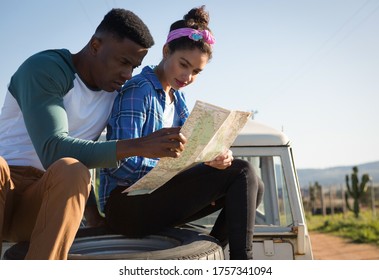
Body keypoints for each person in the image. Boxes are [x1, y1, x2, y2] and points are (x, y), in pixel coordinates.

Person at [0, 8, 187, 260]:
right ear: (96, 45)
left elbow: (75, 164)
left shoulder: (115, 92)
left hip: (43, 201)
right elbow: (52, 150)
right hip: (6, 185)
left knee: (73, 169)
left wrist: (94, 217)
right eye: (123, 62)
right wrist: (139, 145)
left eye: (134, 66)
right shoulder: (45, 68)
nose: (127, 74)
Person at [99, 6, 264, 260]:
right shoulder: (139, 91)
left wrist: (215, 157)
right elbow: (120, 166)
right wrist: (176, 168)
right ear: (166, 52)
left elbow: (193, 151)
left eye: (196, 72)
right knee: (243, 173)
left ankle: (211, 256)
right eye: (183, 64)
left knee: (253, 184)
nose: (187, 76)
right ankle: (243, 263)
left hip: (156, 197)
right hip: (125, 204)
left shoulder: (179, 101)